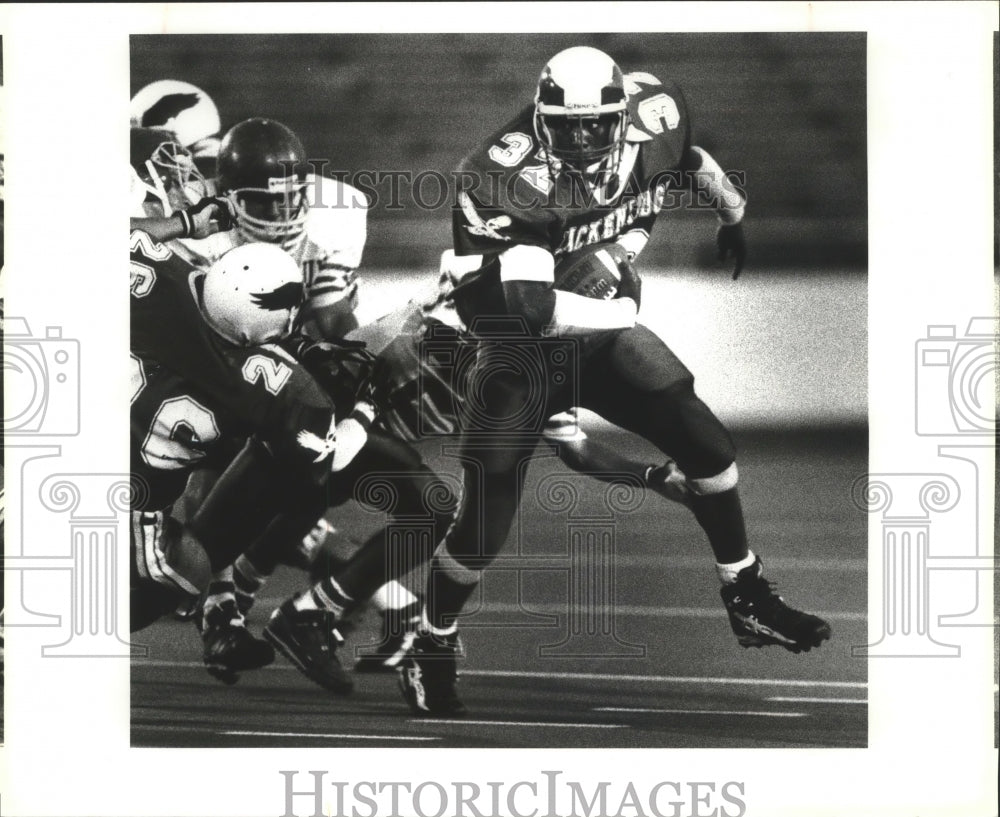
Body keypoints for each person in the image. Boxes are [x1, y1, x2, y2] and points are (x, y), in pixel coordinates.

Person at [397, 46, 831, 716]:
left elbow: (685, 156)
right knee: (485, 518)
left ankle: (745, 590)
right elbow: (533, 310)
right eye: (562, 125)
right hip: (512, 341)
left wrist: (732, 211)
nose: (577, 137)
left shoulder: (657, 110)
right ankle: (433, 636)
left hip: (591, 331)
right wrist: (618, 304)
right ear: (539, 117)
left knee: (700, 431)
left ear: (622, 114)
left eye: (593, 123)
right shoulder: (500, 176)